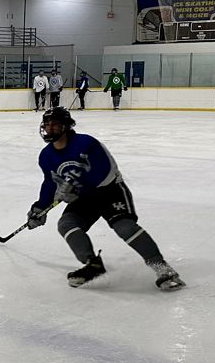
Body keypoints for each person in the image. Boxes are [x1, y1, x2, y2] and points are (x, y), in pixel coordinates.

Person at [25, 107, 184, 291]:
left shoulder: (86, 143)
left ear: (66, 126)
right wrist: (39, 208)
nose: (50, 129)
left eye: (55, 125)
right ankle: (92, 265)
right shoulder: (46, 156)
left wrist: (78, 186)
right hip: (84, 197)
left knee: (124, 226)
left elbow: (105, 169)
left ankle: (163, 269)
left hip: (109, 191)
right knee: (66, 224)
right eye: (47, 125)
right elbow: (50, 183)